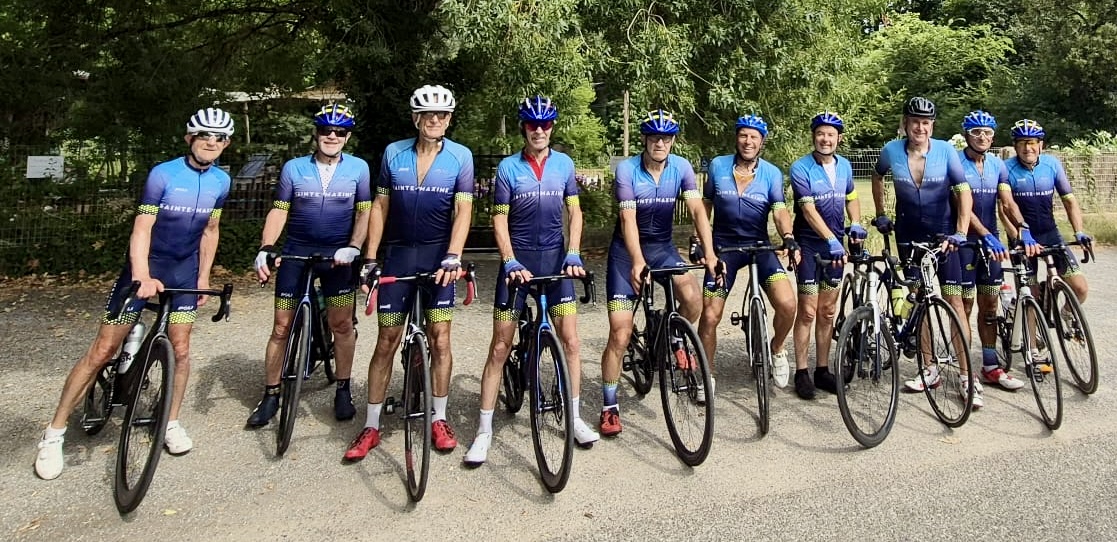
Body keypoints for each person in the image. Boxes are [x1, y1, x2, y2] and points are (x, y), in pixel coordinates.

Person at [34, 108, 234, 479]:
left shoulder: (222, 181)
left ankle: (170, 421)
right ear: (189, 137)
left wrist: (203, 276)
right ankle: (54, 433)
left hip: (183, 270)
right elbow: (143, 227)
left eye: (219, 137)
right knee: (102, 351)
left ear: (227, 143)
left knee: (181, 348)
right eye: (205, 134)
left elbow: (210, 230)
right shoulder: (163, 174)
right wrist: (141, 274)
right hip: (144, 267)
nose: (212, 142)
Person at [463, 96, 598, 466]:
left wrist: (573, 252)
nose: (539, 130)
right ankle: (484, 431)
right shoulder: (509, 167)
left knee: (571, 341)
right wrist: (509, 260)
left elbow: (575, 211)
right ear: (523, 128)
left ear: (552, 127)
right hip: (518, 265)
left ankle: (574, 417)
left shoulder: (564, 164)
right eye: (532, 125)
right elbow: (499, 219)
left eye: (545, 124)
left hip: (555, 261)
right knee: (499, 347)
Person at [345, 85, 474, 460]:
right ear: (416, 118)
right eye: (428, 114)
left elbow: (463, 210)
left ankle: (440, 418)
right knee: (387, 339)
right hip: (399, 256)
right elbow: (380, 207)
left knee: (440, 338)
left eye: (442, 115)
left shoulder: (461, 157)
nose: (435, 120)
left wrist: (453, 255)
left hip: (438, 259)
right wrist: (371, 258)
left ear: (449, 119)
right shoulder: (393, 153)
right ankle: (371, 425)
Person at [248, 104, 371, 427]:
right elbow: (280, 209)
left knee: (341, 325)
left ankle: (343, 389)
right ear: (316, 134)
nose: (332, 136)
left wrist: (354, 247)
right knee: (280, 328)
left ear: (347, 137)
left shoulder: (358, 168)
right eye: (326, 130)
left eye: (339, 132)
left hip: (337, 256)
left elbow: (364, 212)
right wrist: (266, 247)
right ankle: (271, 394)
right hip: (296, 252)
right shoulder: (294, 168)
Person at [599, 110, 717, 437]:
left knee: (693, 299)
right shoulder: (627, 170)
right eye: (654, 138)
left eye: (665, 138)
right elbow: (628, 220)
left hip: (663, 248)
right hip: (626, 253)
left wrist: (709, 252)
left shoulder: (681, 167)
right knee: (620, 333)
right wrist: (637, 261)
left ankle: (671, 335)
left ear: (673, 141)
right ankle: (609, 405)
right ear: (645, 140)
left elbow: (697, 210)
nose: (660, 143)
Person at [870, 97, 979, 405]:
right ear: (906, 123)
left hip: (944, 234)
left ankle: (966, 375)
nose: (920, 127)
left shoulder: (945, 151)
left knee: (954, 302)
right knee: (920, 300)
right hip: (908, 235)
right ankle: (929, 368)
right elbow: (877, 176)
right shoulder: (891, 150)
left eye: (926, 123)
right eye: (915, 122)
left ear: (932, 126)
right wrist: (881, 212)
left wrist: (961, 232)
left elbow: (963, 191)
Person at [697, 114, 797, 396]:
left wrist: (788, 236)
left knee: (788, 304)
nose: (748, 141)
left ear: (761, 142)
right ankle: (707, 374)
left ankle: (777, 349)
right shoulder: (718, 166)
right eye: (743, 135)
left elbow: (779, 210)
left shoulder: (772, 173)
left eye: (754, 137)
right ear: (736, 138)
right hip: (724, 250)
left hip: (759, 247)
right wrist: (699, 241)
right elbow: (704, 205)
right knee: (710, 314)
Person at [787, 112, 865, 399]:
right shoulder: (801, 168)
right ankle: (801, 372)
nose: (825, 138)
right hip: (810, 246)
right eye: (820, 133)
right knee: (808, 311)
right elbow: (807, 210)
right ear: (814, 136)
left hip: (835, 249)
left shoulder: (845, 166)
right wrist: (831, 239)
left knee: (827, 311)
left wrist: (855, 222)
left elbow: (851, 197)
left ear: (838, 138)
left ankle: (822, 370)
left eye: (831, 134)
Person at [955, 111, 1028, 392]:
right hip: (965, 244)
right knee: (964, 306)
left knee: (989, 306)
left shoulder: (998, 164)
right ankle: (966, 371)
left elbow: (1007, 202)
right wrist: (984, 234)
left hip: (992, 243)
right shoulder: (956, 162)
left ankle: (990, 366)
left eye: (987, 133)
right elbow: (962, 205)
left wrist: (1023, 227)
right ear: (967, 135)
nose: (982, 137)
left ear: (993, 137)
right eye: (976, 132)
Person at [1002, 119, 1091, 305]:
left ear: (1040, 144)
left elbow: (1069, 200)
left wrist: (1079, 232)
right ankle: (1031, 318)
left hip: (1050, 233)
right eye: (1022, 143)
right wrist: (1018, 236)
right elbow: (1004, 207)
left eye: (1032, 142)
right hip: (1022, 238)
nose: (1027, 148)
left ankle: (1067, 316)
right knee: (1031, 298)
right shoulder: (1006, 168)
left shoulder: (1052, 164)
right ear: (1015, 146)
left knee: (1080, 288)